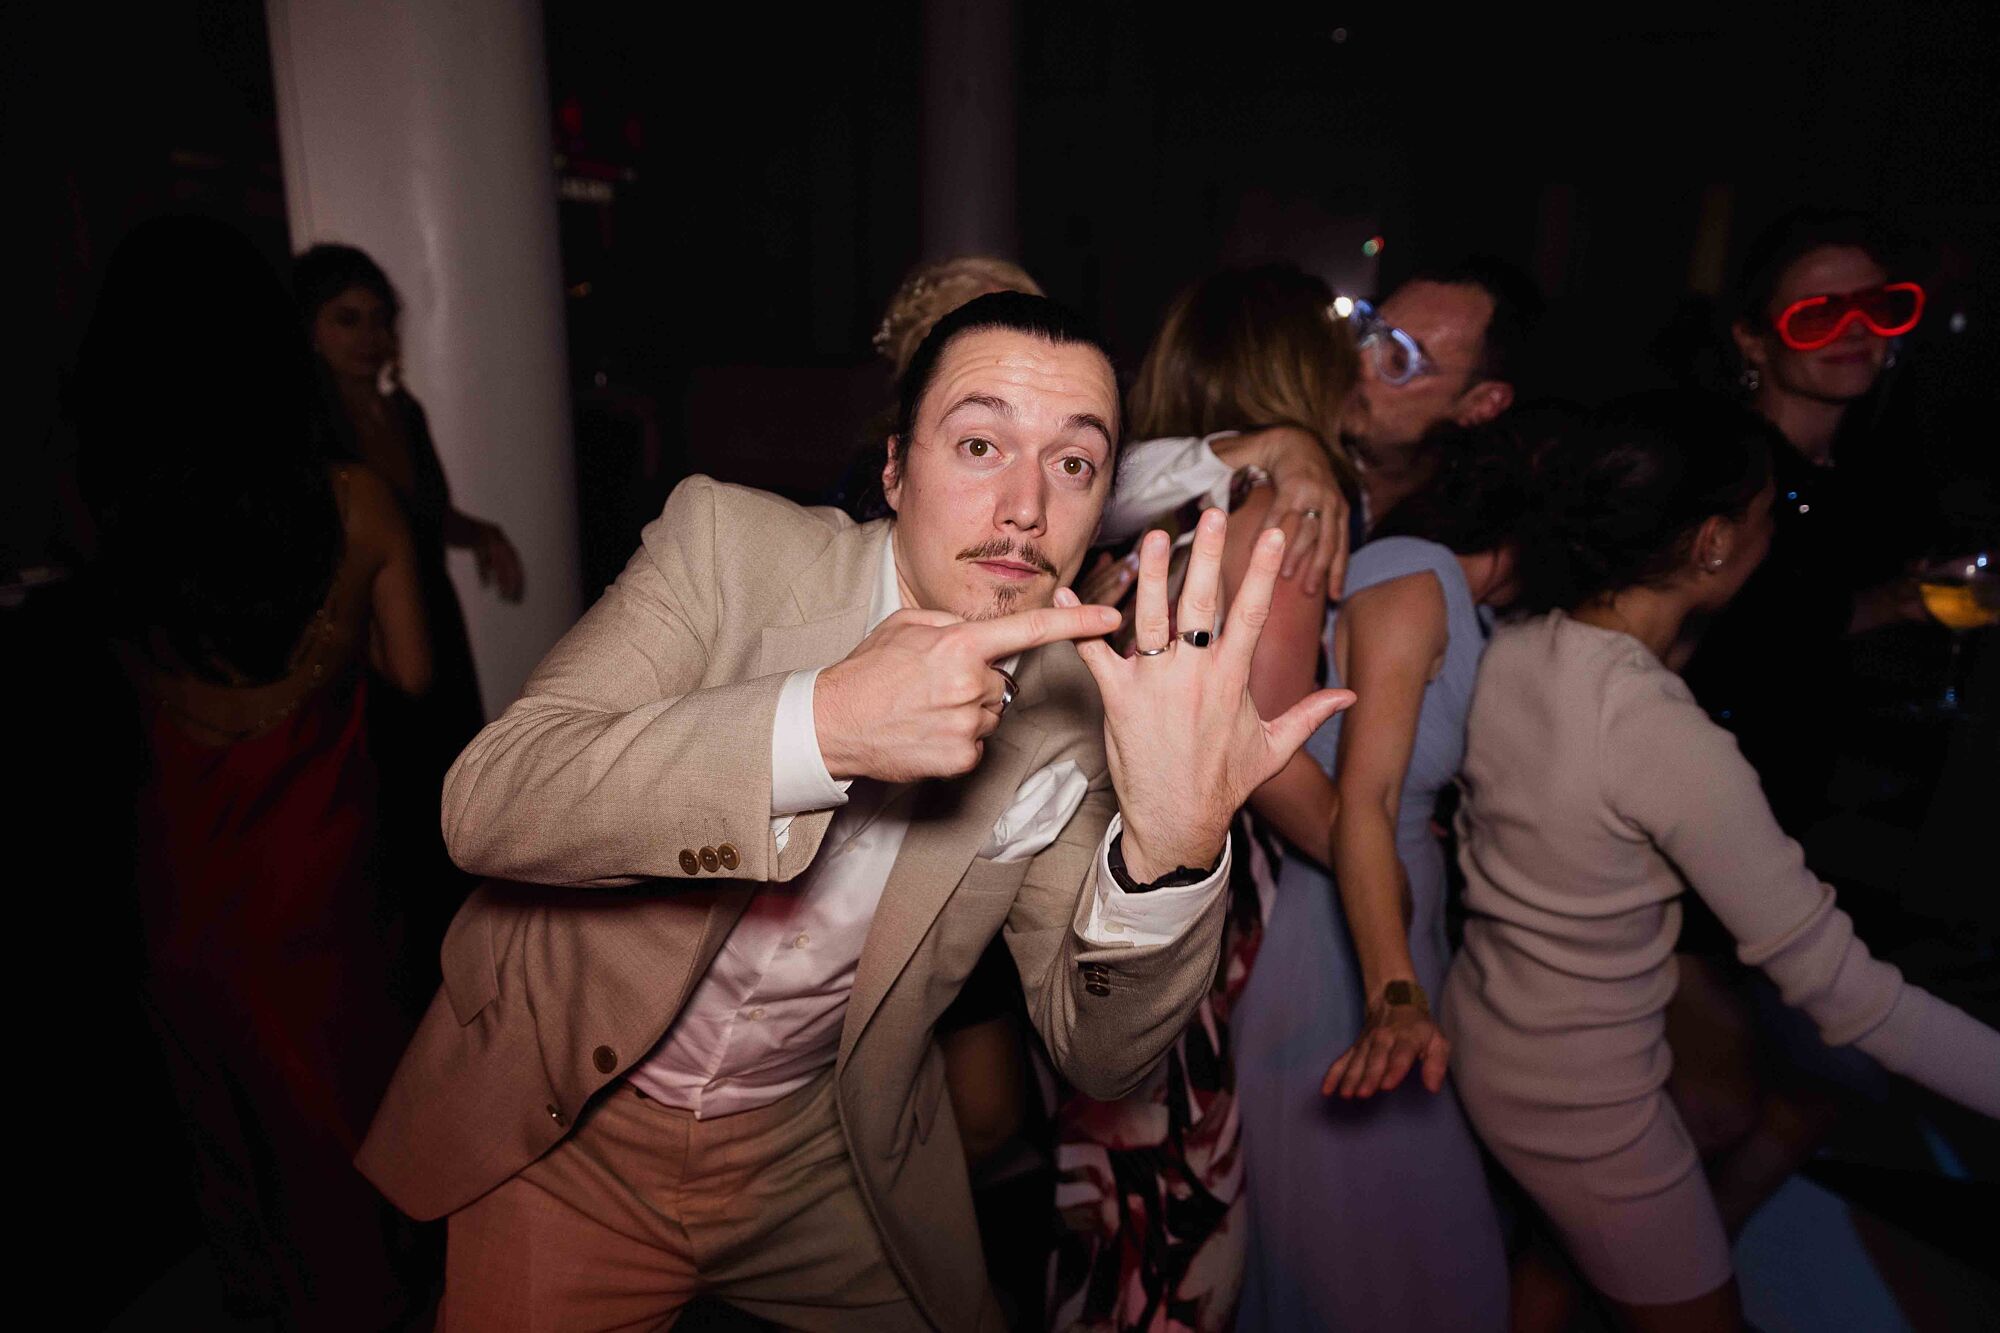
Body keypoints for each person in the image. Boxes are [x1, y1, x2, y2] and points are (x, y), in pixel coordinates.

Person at [358, 292, 1353, 1331]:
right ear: (894, 469)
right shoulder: (727, 550)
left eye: (1072, 465)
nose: (1025, 506)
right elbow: (492, 800)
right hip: (577, 1130)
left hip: (818, 1151)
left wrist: (1173, 851)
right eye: (978, 444)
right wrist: (819, 726)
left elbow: (1102, 1054)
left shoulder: (1072, 706)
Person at [1443, 391, 2000, 1333]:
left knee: (1552, 1271)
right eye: (1763, 514)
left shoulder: (1523, 644)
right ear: (1709, 544)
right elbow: (1847, 994)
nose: (1770, 535)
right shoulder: (1662, 734)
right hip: (1588, 1104)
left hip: (1494, 1039)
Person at [76, 216, 433, 1329]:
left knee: (224, 1128)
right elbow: (415, 676)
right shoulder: (351, 502)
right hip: (315, 863)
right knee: (344, 1118)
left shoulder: (105, 509)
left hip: (177, 861)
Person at [1047, 262, 1358, 1332]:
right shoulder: (1286, 507)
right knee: (1174, 1215)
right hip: (1197, 885)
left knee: (1115, 1205)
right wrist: (1378, 843)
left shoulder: (1142, 498)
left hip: (1099, 872)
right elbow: (1264, 749)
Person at [1231, 419, 1542, 1333]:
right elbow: (1359, 800)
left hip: (1394, 914)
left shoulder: (1471, 603)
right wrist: (1393, 982)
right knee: (1381, 1256)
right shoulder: (1415, 571)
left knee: (1393, 1251)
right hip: (1346, 937)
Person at [1669, 209, 1939, 1241]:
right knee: (1715, 1099)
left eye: (1878, 308)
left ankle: (1669, 1272)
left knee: (1827, 1082)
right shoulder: (1716, 471)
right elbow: (1719, 640)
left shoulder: (1865, 475)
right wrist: (1881, 608)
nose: (1855, 332)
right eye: (1818, 312)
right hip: (1687, 839)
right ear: (1751, 338)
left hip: (1804, 830)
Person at [294, 243, 521, 1001]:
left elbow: (425, 513)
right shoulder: (304, 427)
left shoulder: (403, 410)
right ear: (310, 328)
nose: (368, 335)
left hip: (434, 616)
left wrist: (482, 532)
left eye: (379, 319)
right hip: (365, 638)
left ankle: (456, 964)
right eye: (346, 318)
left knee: (449, 790)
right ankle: (403, 981)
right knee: (384, 805)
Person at [1342, 255, 1543, 524]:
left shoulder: (1483, 532)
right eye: (1365, 329)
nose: (1360, 361)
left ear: (1483, 403)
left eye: (1400, 360)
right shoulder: (1293, 466)